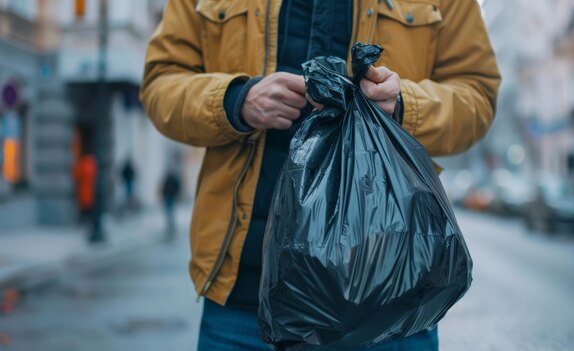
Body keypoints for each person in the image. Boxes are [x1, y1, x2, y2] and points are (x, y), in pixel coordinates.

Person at [141, 0, 500, 350]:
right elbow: (161, 84)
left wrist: (404, 104)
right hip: (244, 299)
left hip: (392, 299)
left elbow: (477, 96)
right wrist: (237, 100)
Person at [72, 153, 97, 223]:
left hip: (83, 189)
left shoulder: (82, 164)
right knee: (89, 207)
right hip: (90, 190)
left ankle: (84, 220)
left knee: (84, 207)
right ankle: (89, 220)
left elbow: (76, 175)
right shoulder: (93, 164)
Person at [161, 170, 181, 238]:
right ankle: (170, 224)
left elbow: (177, 187)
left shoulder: (173, 180)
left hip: (171, 197)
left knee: (170, 211)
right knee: (168, 211)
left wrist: (176, 194)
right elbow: (164, 188)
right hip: (167, 197)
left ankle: (171, 224)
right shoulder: (168, 179)